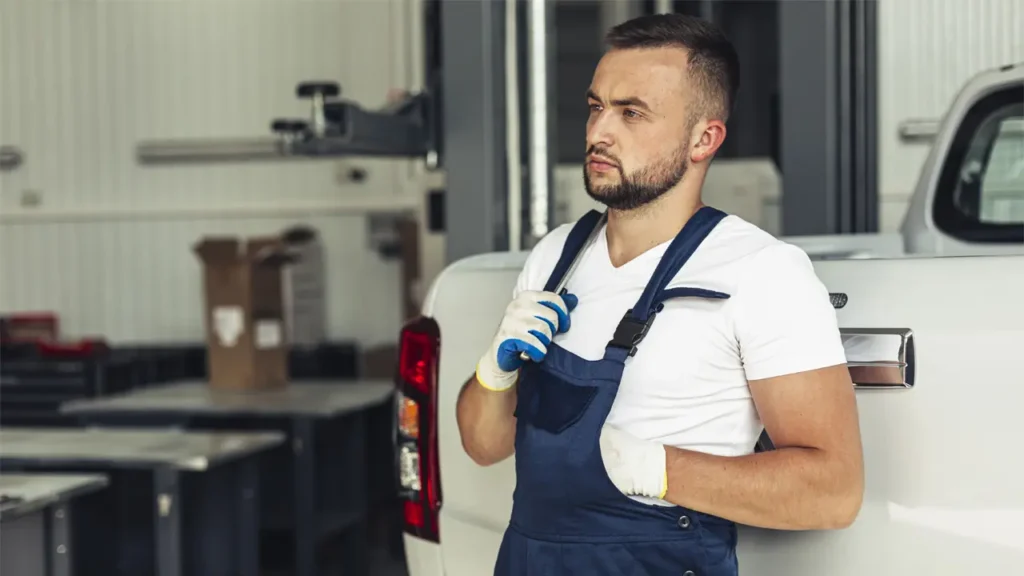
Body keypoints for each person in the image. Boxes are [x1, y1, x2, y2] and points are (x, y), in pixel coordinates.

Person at [455, 13, 864, 576]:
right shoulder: (556, 257)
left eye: (632, 113)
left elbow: (833, 491)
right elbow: (483, 446)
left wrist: (659, 470)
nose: (599, 131)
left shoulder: (762, 273)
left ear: (704, 138)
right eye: (597, 106)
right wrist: (492, 375)